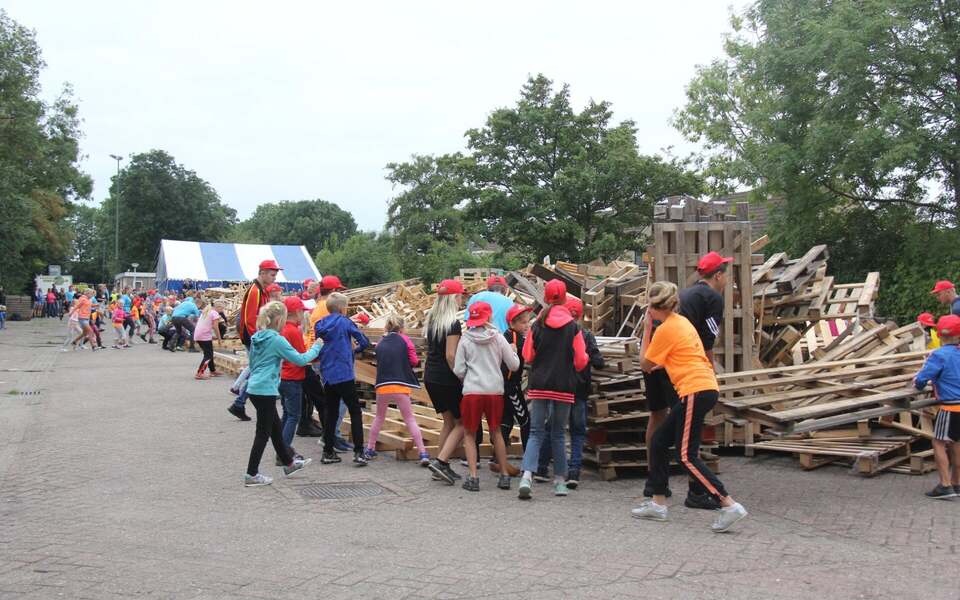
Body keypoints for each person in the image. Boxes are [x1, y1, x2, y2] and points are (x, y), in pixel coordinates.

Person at [632, 281, 748, 532]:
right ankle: (658, 502)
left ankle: (728, 504)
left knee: (686, 455)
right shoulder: (681, 323)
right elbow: (680, 356)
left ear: (655, 307)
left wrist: (647, 330)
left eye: (649, 308)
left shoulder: (664, 329)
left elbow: (645, 364)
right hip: (702, 388)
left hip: (695, 390)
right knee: (660, 441)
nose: (647, 312)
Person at [517, 279, 589, 499]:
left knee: (537, 432)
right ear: (565, 298)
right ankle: (559, 482)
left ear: (546, 298)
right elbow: (580, 361)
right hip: (564, 386)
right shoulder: (573, 327)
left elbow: (527, 355)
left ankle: (527, 476)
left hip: (539, 385)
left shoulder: (537, 325)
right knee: (558, 433)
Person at [243, 301, 319, 487]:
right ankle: (251, 474)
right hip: (265, 389)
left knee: (276, 429)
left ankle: (289, 463)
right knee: (263, 433)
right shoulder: (277, 339)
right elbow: (300, 360)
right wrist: (317, 346)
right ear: (279, 319)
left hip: (255, 387)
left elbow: (252, 364)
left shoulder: (257, 336)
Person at [446, 301, 520, 492]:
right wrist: (515, 353)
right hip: (494, 391)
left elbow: (459, 369)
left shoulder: (466, 339)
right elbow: (513, 366)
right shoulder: (498, 338)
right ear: (489, 317)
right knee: (496, 432)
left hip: (472, 392)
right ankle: (504, 475)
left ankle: (473, 477)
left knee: (469, 434)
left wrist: (469, 378)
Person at [537, 297, 604, 489]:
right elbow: (598, 361)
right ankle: (574, 472)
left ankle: (541, 469)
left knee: (552, 428)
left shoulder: (557, 333)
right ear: (581, 315)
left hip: (558, 388)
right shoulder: (586, 334)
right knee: (577, 432)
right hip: (579, 391)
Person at [365, 315, 430, 465]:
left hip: (383, 385)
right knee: (409, 419)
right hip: (400, 384)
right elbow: (414, 361)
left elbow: (378, 359)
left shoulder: (381, 341)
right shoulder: (405, 340)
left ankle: (370, 448)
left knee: (379, 418)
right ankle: (423, 453)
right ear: (402, 328)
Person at [314, 292, 370, 466]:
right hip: (344, 372)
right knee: (355, 411)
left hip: (328, 374)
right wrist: (354, 350)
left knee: (331, 413)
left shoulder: (320, 324)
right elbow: (364, 341)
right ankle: (359, 452)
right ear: (342, 308)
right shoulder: (345, 322)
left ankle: (328, 451)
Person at [422, 279, 466, 482]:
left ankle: (441, 465)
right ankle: (441, 460)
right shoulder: (452, 323)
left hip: (431, 376)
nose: (461, 299)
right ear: (453, 298)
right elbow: (450, 355)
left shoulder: (432, 320)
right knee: (463, 423)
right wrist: (461, 376)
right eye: (460, 296)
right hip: (447, 378)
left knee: (448, 422)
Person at [913, 314, 960, 499]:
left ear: (940, 334)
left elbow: (921, 380)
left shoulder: (938, 355)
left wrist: (917, 382)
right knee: (957, 443)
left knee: (938, 443)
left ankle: (945, 485)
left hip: (949, 408)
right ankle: (957, 483)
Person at [230, 259, 282, 421]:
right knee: (258, 369)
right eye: (272, 275)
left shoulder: (260, 289)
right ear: (262, 273)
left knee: (256, 369)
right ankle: (240, 402)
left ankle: (240, 402)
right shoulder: (255, 291)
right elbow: (250, 319)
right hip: (253, 337)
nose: (274, 278)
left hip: (255, 336)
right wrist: (258, 339)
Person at [494, 304, 533, 480]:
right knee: (525, 421)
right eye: (523, 322)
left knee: (506, 421)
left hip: (503, 385)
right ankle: (529, 461)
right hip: (511, 386)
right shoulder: (516, 338)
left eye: (528, 322)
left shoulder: (506, 336)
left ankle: (497, 458)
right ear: (513, 322)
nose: (527, 325)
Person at [278, 295, 311, 463]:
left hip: (284, 377)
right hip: (293, 377)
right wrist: (316, 350)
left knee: (286, 414)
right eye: (301, 312)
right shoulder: (293, 331)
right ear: (296, 312)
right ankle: (284, 452)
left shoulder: (282, 328)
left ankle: (282, 448)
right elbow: (302, 356)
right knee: (293, 416)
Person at [193, 298, 224, 380]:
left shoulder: (207, 311)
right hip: (204, 336)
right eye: (222, 308)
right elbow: (215, 327)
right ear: (218, 307)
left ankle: (212, 370)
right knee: (208, 355)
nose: (222, 311)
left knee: (209, 353)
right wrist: (219, 338)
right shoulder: (215, 313)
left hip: (199, 334)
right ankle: (199, 373)